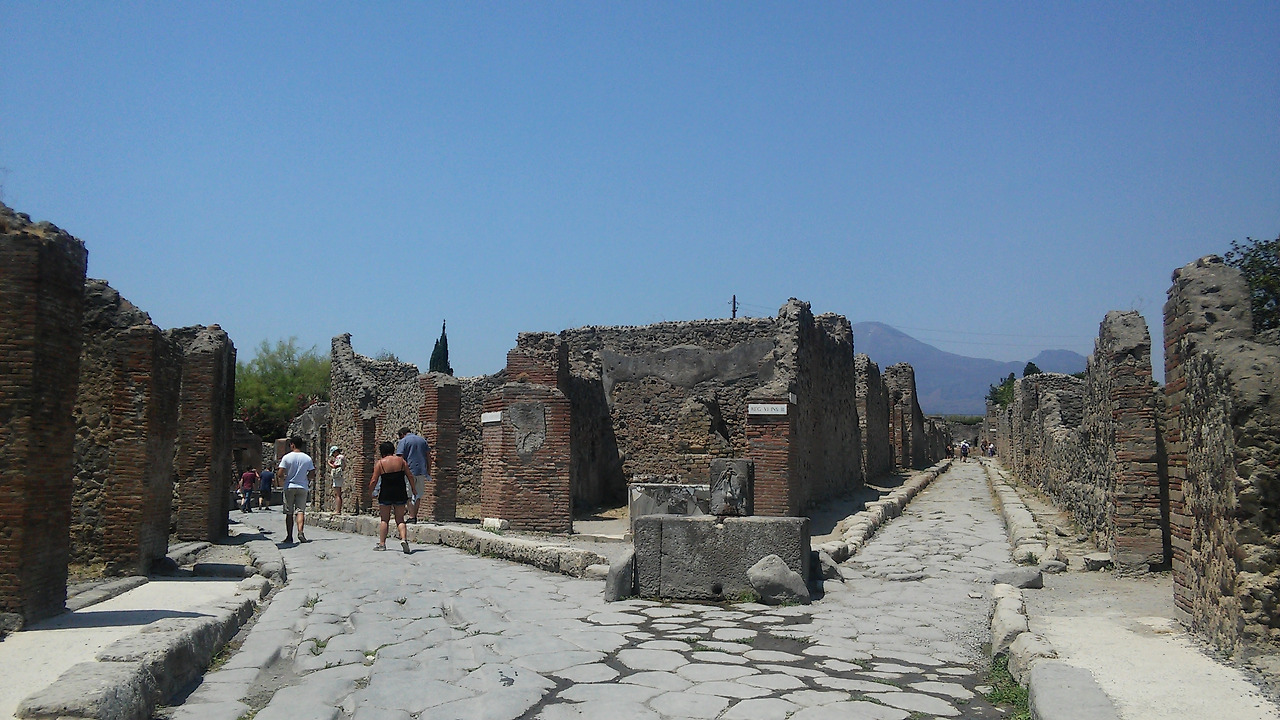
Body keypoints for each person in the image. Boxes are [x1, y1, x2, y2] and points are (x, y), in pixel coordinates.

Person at [369, 440, 414, 553]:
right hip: (400, 492)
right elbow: (410, 475)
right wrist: (413, 488)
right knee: (400, 519)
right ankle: (404, 539)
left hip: (386, 493)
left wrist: (370, 491)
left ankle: (382, 544)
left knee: (384, 519)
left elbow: (374, 480)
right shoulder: (401, 461)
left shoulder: (380, 463)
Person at [277, 437, 316, 544]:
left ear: (292, 445)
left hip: (289, 486)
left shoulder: (287, 457)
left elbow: (280, 473)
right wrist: (306, 479)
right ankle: (300, 532)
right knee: (300, 511)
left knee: (289, 512)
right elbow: (312, 473)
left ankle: (289, 536)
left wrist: (284, 480)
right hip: (302, 487)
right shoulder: (307, 458)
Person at [396, 427, 431, 523]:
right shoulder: (422, 440)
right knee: (418, 494)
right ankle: (415, 516)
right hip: (421, 471)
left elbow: (400, 458)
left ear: (402, 434)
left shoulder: (403, 441)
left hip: (408, 471)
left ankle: (411, 516)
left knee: (409, 494)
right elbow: (428, 457)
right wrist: (428, 470)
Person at [328, 445, 346, 515]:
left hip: (338, 477)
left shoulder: (339, 457)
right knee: (337, 494)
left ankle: (338, 510)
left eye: (333, 454)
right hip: (338, 477)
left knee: (338, 494)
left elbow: (335, 466)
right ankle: (337, 510)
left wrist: (329, 463)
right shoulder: (340, 458)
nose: (333, 455)